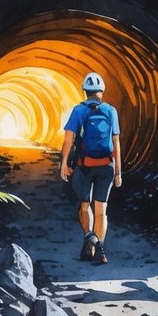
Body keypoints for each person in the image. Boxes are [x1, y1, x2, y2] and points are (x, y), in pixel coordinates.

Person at [59, 72, 122, 265]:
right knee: (101, 209)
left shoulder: (79, 110)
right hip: (106, 165)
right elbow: (116, 142)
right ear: (102, 91)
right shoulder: (111, 111)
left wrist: (64, 164)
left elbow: (68, 139)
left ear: (85, 92)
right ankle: (98, 248)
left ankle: (90, 238)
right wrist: (119, 172)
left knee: (85, 206)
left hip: (84, 165)